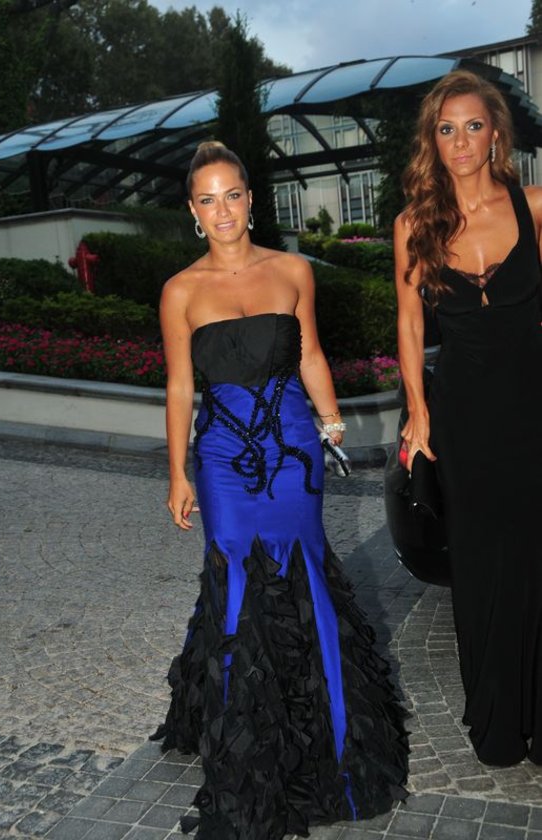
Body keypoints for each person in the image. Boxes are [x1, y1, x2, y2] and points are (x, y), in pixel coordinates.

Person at [150, 141, 408, 839]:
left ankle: (334, 743)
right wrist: (177, 471)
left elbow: (312, 354)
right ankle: (248, 758)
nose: (222, 210)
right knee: (236, 577)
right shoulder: (180, 290)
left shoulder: (293, 270)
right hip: (223, 456)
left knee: (305, 577)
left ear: (250, 199)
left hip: (294, 449)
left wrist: (332, 423)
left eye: (232, 195)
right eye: (207, 199)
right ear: (192, 211)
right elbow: (179, 387)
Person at [395, 70, 542, 767]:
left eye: (473, 126)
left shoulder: (535, 206)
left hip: (533, 402)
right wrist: (418, 412)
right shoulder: (414, 226)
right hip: (463, 415)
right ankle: (498, 721)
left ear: (495, 136)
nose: (460, 141)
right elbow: (407, 324)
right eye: (446, 128)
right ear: (433, 139)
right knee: (480, 562)